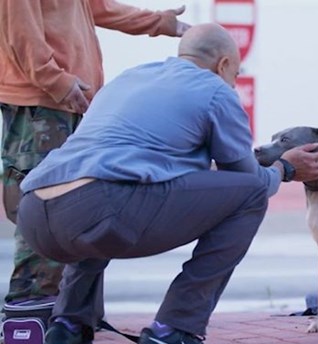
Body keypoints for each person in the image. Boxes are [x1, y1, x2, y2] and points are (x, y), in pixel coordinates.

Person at [17, 23, 318, 344]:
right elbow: (251, 181)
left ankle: (66, 330)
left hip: (35, 212)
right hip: (99, 206)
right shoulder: (215, 89)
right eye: (236, 74)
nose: (233, 82)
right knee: (249, 195)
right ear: (223, 65)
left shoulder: (129, 78)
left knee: (105, 199)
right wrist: (285, 168)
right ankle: (173, 333)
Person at [0, 0, 191, 311]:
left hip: (70, 100)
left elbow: (97, 7)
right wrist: (57, 81)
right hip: (41, 104)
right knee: (43, 207)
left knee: (75, 208)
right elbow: (19, 33)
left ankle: (68, 318)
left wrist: (161, 23)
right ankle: (27, 318)